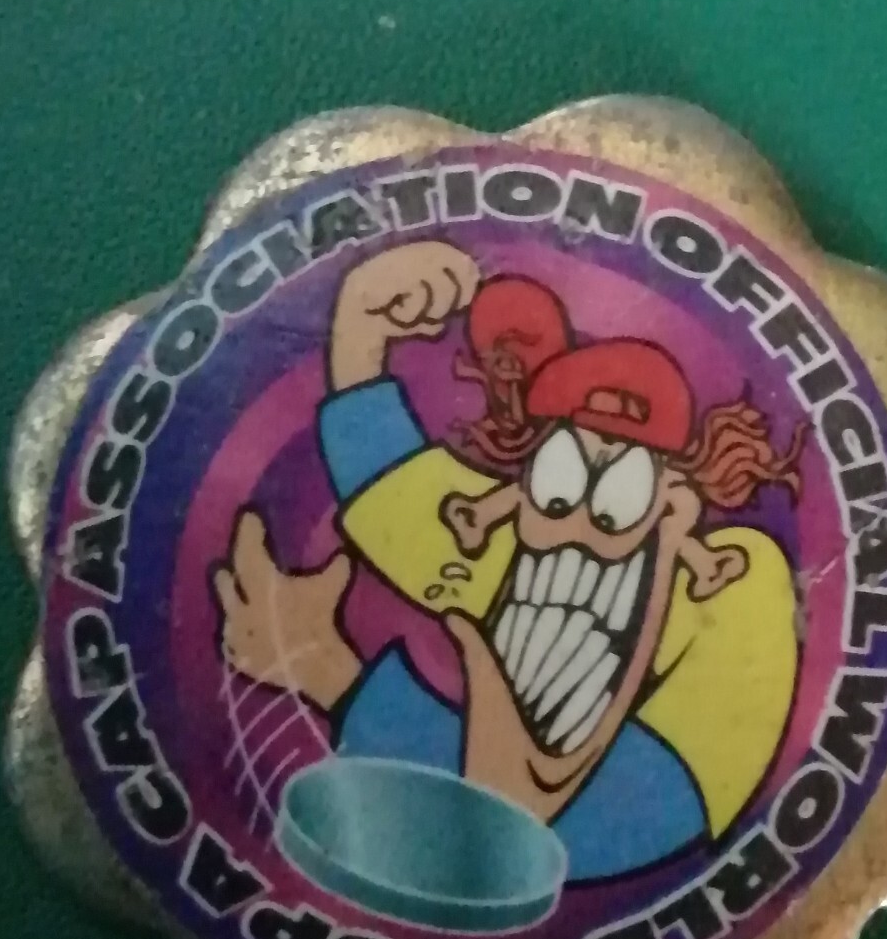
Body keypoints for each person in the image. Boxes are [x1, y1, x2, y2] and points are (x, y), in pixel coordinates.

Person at [212, 241, 803, 880]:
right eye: (558, 483)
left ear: (672, 499)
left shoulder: (737, 585)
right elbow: (394, 484)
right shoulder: (516, 537)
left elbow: (610, 818)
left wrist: (334, 676)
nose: (576, 529)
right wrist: (359, 328)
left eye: (618, 497)